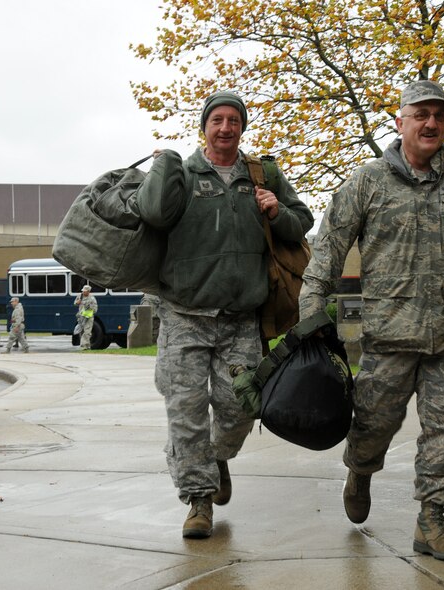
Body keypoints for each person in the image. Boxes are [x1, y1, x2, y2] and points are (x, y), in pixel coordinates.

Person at [298, 79, 444, 562]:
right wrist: (311, 310)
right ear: (400, 121)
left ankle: (431, 521)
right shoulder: (368, 181)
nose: (431, 123)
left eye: (439, 116)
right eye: (421, 114)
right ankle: (359, 470)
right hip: (389, 337)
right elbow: (330, 247)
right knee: (372, 428)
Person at [137, 90, 314, 539]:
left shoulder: (261, 174)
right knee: (186, 412)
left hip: (240, 319)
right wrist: (161, 169)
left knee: (240, 409)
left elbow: (301, 221)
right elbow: (153, 213)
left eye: (233, 120)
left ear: (242, 127)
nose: (225, 127)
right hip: (184, 315)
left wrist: (276, 212)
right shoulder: (183, 172)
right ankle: (198, 500)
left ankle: (216, 460)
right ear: (204, 126)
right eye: (217, 119)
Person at [73, 285, 98, 350]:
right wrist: (77, 302)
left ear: (88, 291)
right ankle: (87, 346)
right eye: (83, 291)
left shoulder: (92, 298)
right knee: (81, 331)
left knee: (87, 332)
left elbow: (95, 309)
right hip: (81, 316)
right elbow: (75, 303)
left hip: (89, 317)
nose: (83, 292)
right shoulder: (80, 296)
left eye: (85, 291)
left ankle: (84, 346)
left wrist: (89, 307)